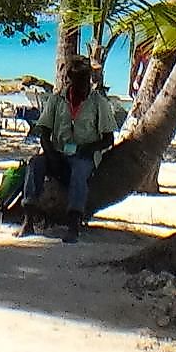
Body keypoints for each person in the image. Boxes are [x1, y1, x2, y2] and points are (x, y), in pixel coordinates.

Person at [23, 56, 124, 242]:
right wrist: (50, 153)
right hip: (58, 153)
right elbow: (44, 131)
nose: (82, 86)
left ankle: (74, 223)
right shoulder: (56, 100)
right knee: (35, 164)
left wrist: (88, 149)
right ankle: (28, 217)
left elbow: (108, 139)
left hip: (83, 155)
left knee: (79, 172)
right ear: (70, 80)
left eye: (85, 81)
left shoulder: (98, 103)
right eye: (78, 81)